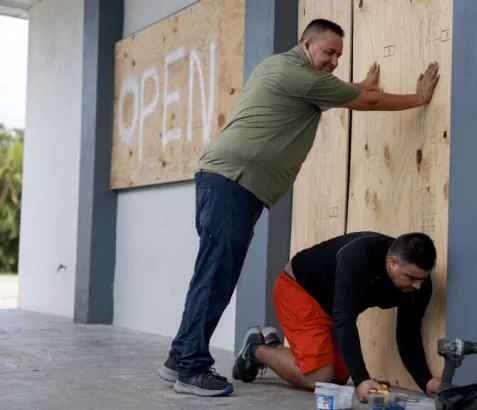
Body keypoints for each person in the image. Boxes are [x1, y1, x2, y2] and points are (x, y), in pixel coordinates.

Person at [156, 18, 441, 398]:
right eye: (329, 52)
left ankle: (180, 356)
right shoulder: (298, 73)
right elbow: (365, 102)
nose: (334, 60)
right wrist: (418, 98)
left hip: (231, 182)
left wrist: (356, 87)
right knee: (215, 277)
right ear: (306, 43)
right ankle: (191, 368)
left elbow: (340, 92)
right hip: (233, 182)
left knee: (213, 274)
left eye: (339, 55)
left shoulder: (287, 71)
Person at [232, 231, 442, 403]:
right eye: (412, 278)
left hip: (332, 305)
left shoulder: (419, 286)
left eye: (423, 279)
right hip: (299, 290)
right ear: (393, 262)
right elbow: (344, 319)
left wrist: (426, 382)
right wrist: (362, 380)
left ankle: (272, 345)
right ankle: (256, 350)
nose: (418, 286)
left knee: (338, 380)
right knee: (319, 378)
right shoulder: (359, 256)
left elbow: (408, 334)